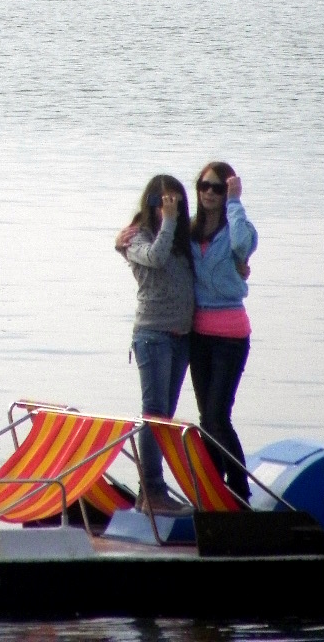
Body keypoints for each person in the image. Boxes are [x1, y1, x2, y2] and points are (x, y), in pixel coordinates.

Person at [115, 175, 194, 513]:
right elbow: (156, 257)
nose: (169, 209)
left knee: (165, 416)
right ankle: (154, 491)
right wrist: (169, 222)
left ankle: (145, 494)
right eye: (163, 202)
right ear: (151, 204)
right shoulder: (136, 238)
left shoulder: (181, 239)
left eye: (175, 202)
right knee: (154, 415)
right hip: (153, 336)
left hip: (181, 338)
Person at [189, 162, 258, 502]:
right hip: (198, 336)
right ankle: (213, 490)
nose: (210, 193)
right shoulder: (190, 230)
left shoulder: (237, 228)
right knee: (207, 418)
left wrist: (235, 202)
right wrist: (124, 239)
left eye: (218, 188)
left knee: (218, 416)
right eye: (204, 186)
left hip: (231, 335)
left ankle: (240, 490)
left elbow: (243, 246)